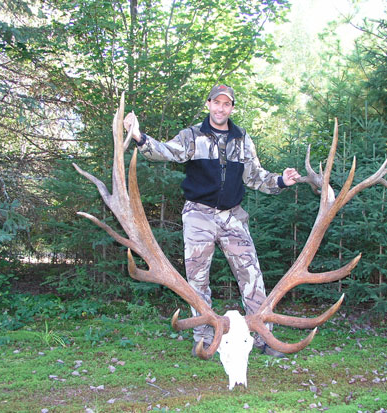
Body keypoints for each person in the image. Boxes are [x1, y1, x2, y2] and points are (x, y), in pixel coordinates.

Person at [124, 85, 301, 357]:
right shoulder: (192, 136)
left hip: (233, 216)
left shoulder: (242, 139)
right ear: (208, 104)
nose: (220, 108)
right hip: (198, 215)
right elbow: (165, 151)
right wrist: (138, 136)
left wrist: (281, 181)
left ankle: (265, 338)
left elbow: (255, 177)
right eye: (216, 103)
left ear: (232, 108)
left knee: (252, 275)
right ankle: (204, 339)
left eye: (226, 104)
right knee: (197, 280)